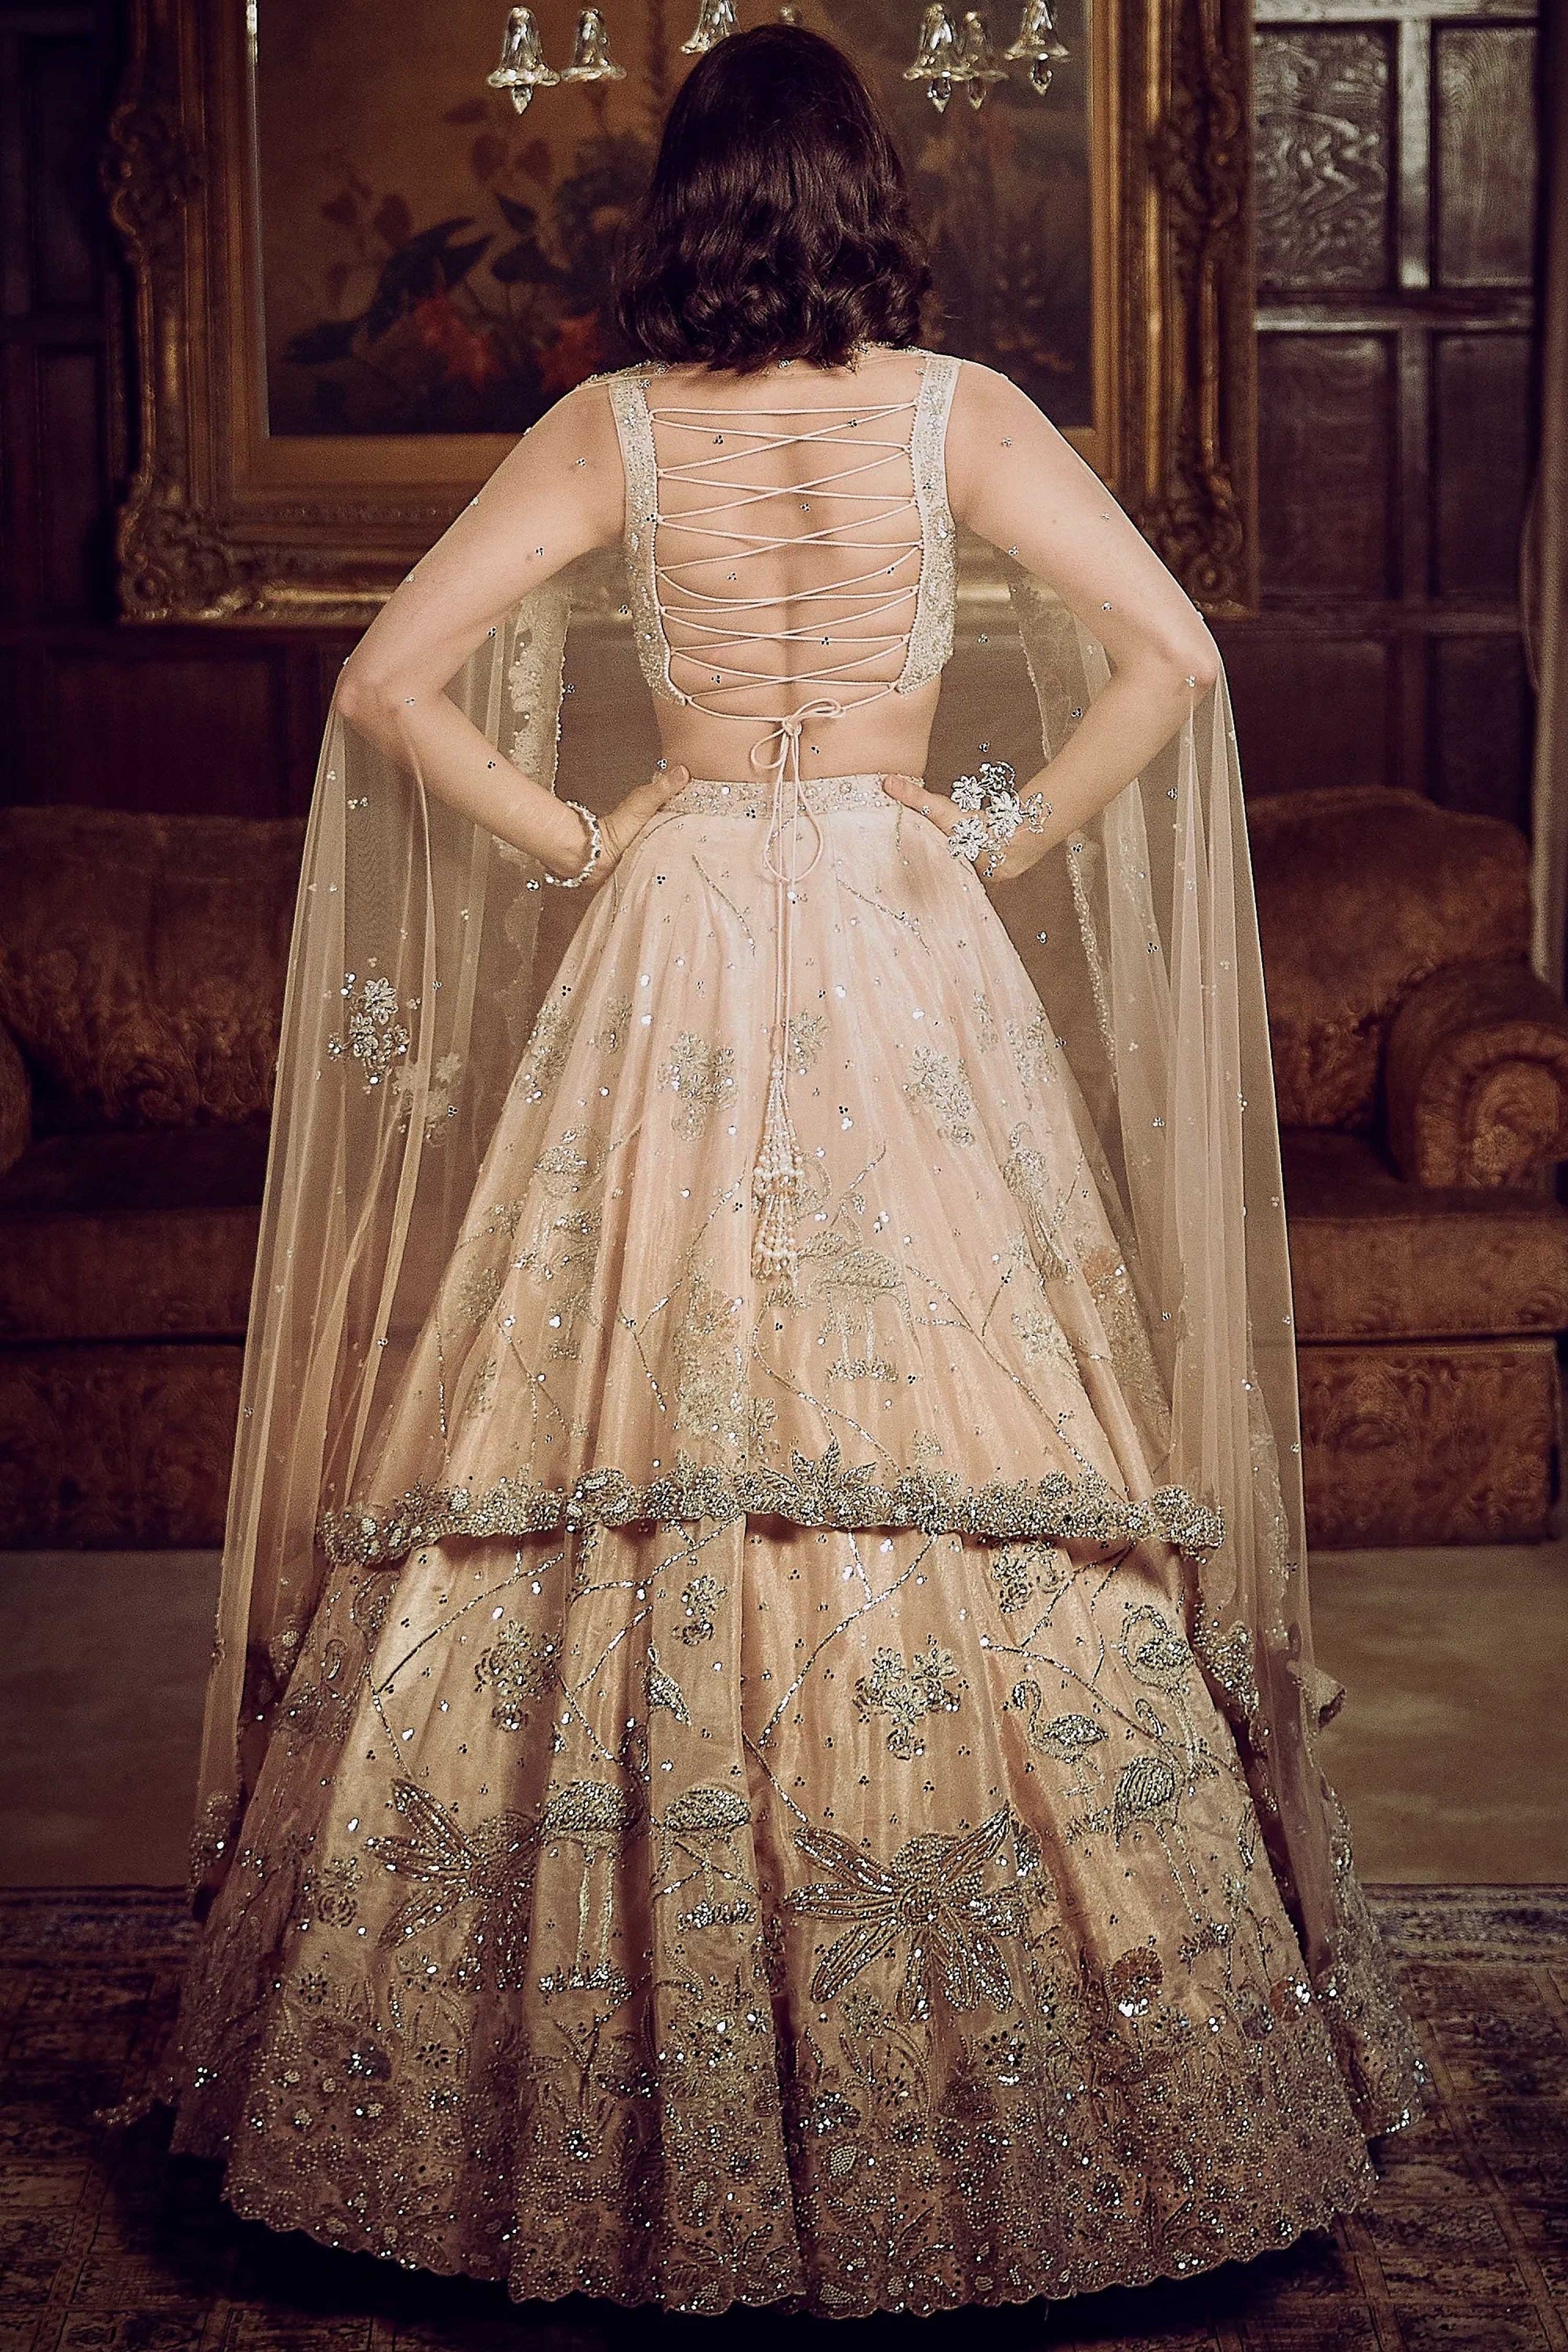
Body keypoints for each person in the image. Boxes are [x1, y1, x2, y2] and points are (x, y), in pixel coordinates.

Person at [151, 23, 1425, 2320]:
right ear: (864, 198)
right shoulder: (963, 414)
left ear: (690, 209)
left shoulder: (613, 428)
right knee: (960, 1419)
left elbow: (382, 687)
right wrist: (998, 829)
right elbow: (1170, 656)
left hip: (678, 927)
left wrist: (584, 833)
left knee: (619, 1418)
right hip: (898, 921)